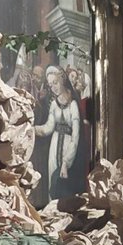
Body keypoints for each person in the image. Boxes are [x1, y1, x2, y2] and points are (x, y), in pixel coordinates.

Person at [34, 66, 83, 200]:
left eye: (55, 83)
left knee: (66, 189)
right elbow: (48, 128)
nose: (53, 88)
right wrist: (32, 129)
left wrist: (66, 162)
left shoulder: (73, 104)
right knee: (53, 185)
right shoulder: (54, 105)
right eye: (50, 85)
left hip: (69, 149)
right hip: (54, 148)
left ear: (62, 79)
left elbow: (75, 137)